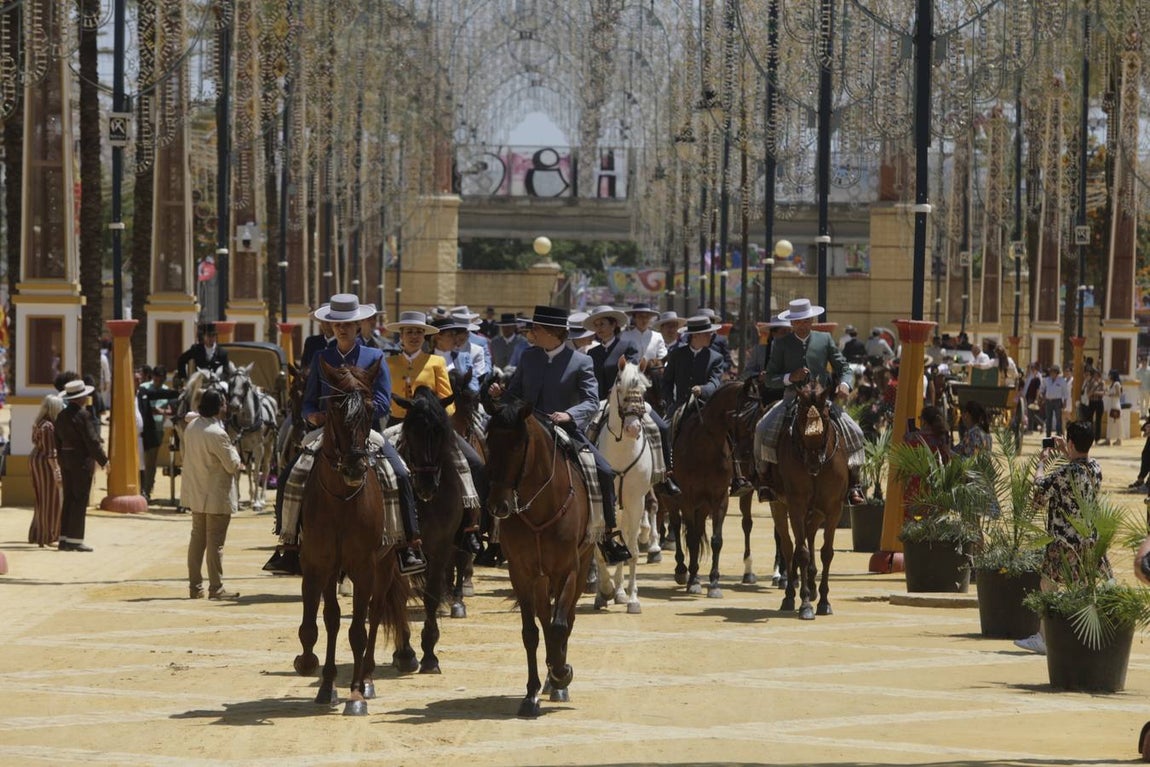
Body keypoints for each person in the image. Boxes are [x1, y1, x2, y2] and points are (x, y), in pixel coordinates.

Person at [271, 294, 425, 575]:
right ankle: (289, 544)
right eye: (337, 324)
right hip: (325, 432)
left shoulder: (374, 356)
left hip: (364, 433)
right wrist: (310, 414)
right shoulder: (321, 357)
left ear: (359, 325)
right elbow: (308, 401)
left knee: (400, 474)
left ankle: (407, 544)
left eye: (349, 324)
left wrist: (355, 412)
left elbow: (382, 402)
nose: (342, 328)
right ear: (331, 327)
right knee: (290, 476)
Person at [487, 305, 632, 565]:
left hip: (564, 429)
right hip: (526, 431)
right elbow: (516, 393)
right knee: (494, 463)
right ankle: (491, 535)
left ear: (553, 333)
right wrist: (501, 394)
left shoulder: (581, 361)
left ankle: (607, 535)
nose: (531, 333)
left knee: (604, 470)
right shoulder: (529, 357)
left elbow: (590, 401)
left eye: (536, 329)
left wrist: (570, 415)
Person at [385, 310, 485, 555]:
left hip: (432, 427)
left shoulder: (436, 362)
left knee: (472, 462)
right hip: (397, 423)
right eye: (409, 332)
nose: (414, 336)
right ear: (401, 335)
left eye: (419, 332)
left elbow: (449, 402)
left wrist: (432, 413)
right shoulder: (389, 363)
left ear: (425, 336)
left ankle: (471, 527)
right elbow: (382, 396)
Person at [754, 298, 866, 505]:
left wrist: (844, 385)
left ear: (812, 320)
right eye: (798, 321)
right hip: (791, 399)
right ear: (792, 323)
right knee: (762, 429)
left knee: (856, 432)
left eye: (806, 320)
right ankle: (765, 480)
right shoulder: (781, 343)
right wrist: (790, 377)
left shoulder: (825, 339)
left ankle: (854, 484)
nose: (802, 324)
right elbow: (770, 378)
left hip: (822, 401)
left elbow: (844, 368)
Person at [1015, 420, 1106, 655]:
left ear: (1072, 442)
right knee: (1084, 587)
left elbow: (1040, 488)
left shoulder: (1063, 473)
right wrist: (1068, 451)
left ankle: (1044, 637)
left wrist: (1042, 461)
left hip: (1063, 540)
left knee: (1048, 585)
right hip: (1088, 540)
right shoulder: (1096, 468)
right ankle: (1085, 635)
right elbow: (1078, 468)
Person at [586, 304, 680, 496]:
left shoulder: (627, 346)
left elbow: (634, 373)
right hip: (602, 403)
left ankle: (665, 475)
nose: (599, 328)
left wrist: (618, 389)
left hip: (630, 400)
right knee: (586, 432)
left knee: (661, 427)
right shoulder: (592, 353)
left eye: (602, 324)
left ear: (614, 325)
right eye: (596, 325)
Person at [182, 389, 243, 600]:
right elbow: (232, 465)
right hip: (216, 495)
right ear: (218, 407)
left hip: (197, 492)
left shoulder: (192, 427)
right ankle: (216, 588)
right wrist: (237, 456)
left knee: (197, 540)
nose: (226, 407)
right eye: (223, 404)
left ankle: (195, 587)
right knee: (215, 543)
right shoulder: (218, 433)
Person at [54, 379, 108, 552]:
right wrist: (104, 460)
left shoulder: (61, 415)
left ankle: (64, 539)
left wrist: (61, 459)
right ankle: (75, 540)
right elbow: (91, 441)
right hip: (81, 462)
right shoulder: (83, 415)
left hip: (66, 460)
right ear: (81, 398)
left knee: (69, 498)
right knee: (80, 499)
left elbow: (57, 441)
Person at [137, 365, 180, 501]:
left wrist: (160, 411)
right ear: (153, 377)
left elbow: (171, 410)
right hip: (143, 429)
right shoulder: (144, 388)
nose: (158, 382)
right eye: (157, 379)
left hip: (157, 429)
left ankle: (147, 490)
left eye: (161, 380)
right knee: (140, 461)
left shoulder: (166, 391)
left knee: (150, 462)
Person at [29, 393, 65, 547]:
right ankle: (49, 536)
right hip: (45, 464)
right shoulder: (49, 427)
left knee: (41, 498)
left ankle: (37, 533)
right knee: (52, 499)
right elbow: (51, 453)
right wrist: (57, 472)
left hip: (36, 460)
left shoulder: (40, 423)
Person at [618, 302, 668, 367]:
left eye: (647, 317)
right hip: (630, 373)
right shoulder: (624, 336)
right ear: (634, 318)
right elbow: (619, 356)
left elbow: (662, 357)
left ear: (650, 318)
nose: (644, 320)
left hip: (652, 373)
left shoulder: (657, 336)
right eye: (640, 317)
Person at [1039, 364, 1070, 437]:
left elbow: (1065, 392)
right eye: (1051, 372)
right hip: (1048, 401)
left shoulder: (1061, 381)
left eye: (1054, 372)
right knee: (1048, 419)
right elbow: (1042, 388)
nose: (1052, 373)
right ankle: (1048, 436)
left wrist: (1065, 402)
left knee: (1058, 419)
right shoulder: (1046, 380)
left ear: (1057, 373)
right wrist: (1042, 395)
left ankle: (1059, 435)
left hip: (1057, 401)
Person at [299, 304, 334, 369]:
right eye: (322, 321)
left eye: (329, 322)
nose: (325, 325)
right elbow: (304, 365)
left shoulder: (343, 343)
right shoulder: (311, 341)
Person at [1102, 369, 1127, 447]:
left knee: (1117, 423)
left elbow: (1118, 394)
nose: (1108, 376)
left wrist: (1110, 394)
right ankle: (1108, 438)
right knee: (1111, 422)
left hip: (1115, 405)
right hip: (1112, 404)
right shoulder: (1112, 384)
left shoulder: (1116, 384)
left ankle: (1118, 439)